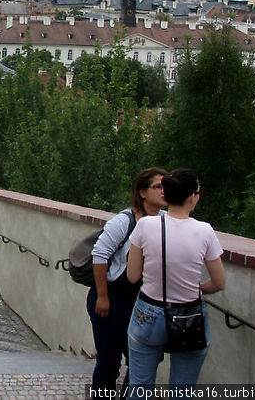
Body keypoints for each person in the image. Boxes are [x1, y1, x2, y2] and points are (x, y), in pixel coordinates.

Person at [126, 168, 226, 390]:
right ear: (192, 196)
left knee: (139, 386)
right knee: (182, 390)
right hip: (189, 314)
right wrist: (197, 288)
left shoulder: (145, 225)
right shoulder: (205, 231)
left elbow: (132, 275)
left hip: (148, 312)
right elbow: (219, 282)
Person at [87, 168, 167, 393]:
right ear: (142, 192)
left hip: (145, 303)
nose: (164, 191)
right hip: (113, 300)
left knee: (142, 364)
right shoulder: (124, 221)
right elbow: (100, 255)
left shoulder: (166, 221)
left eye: (167, 186)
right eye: (158, 186)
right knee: (109, 362)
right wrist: (102, 297)